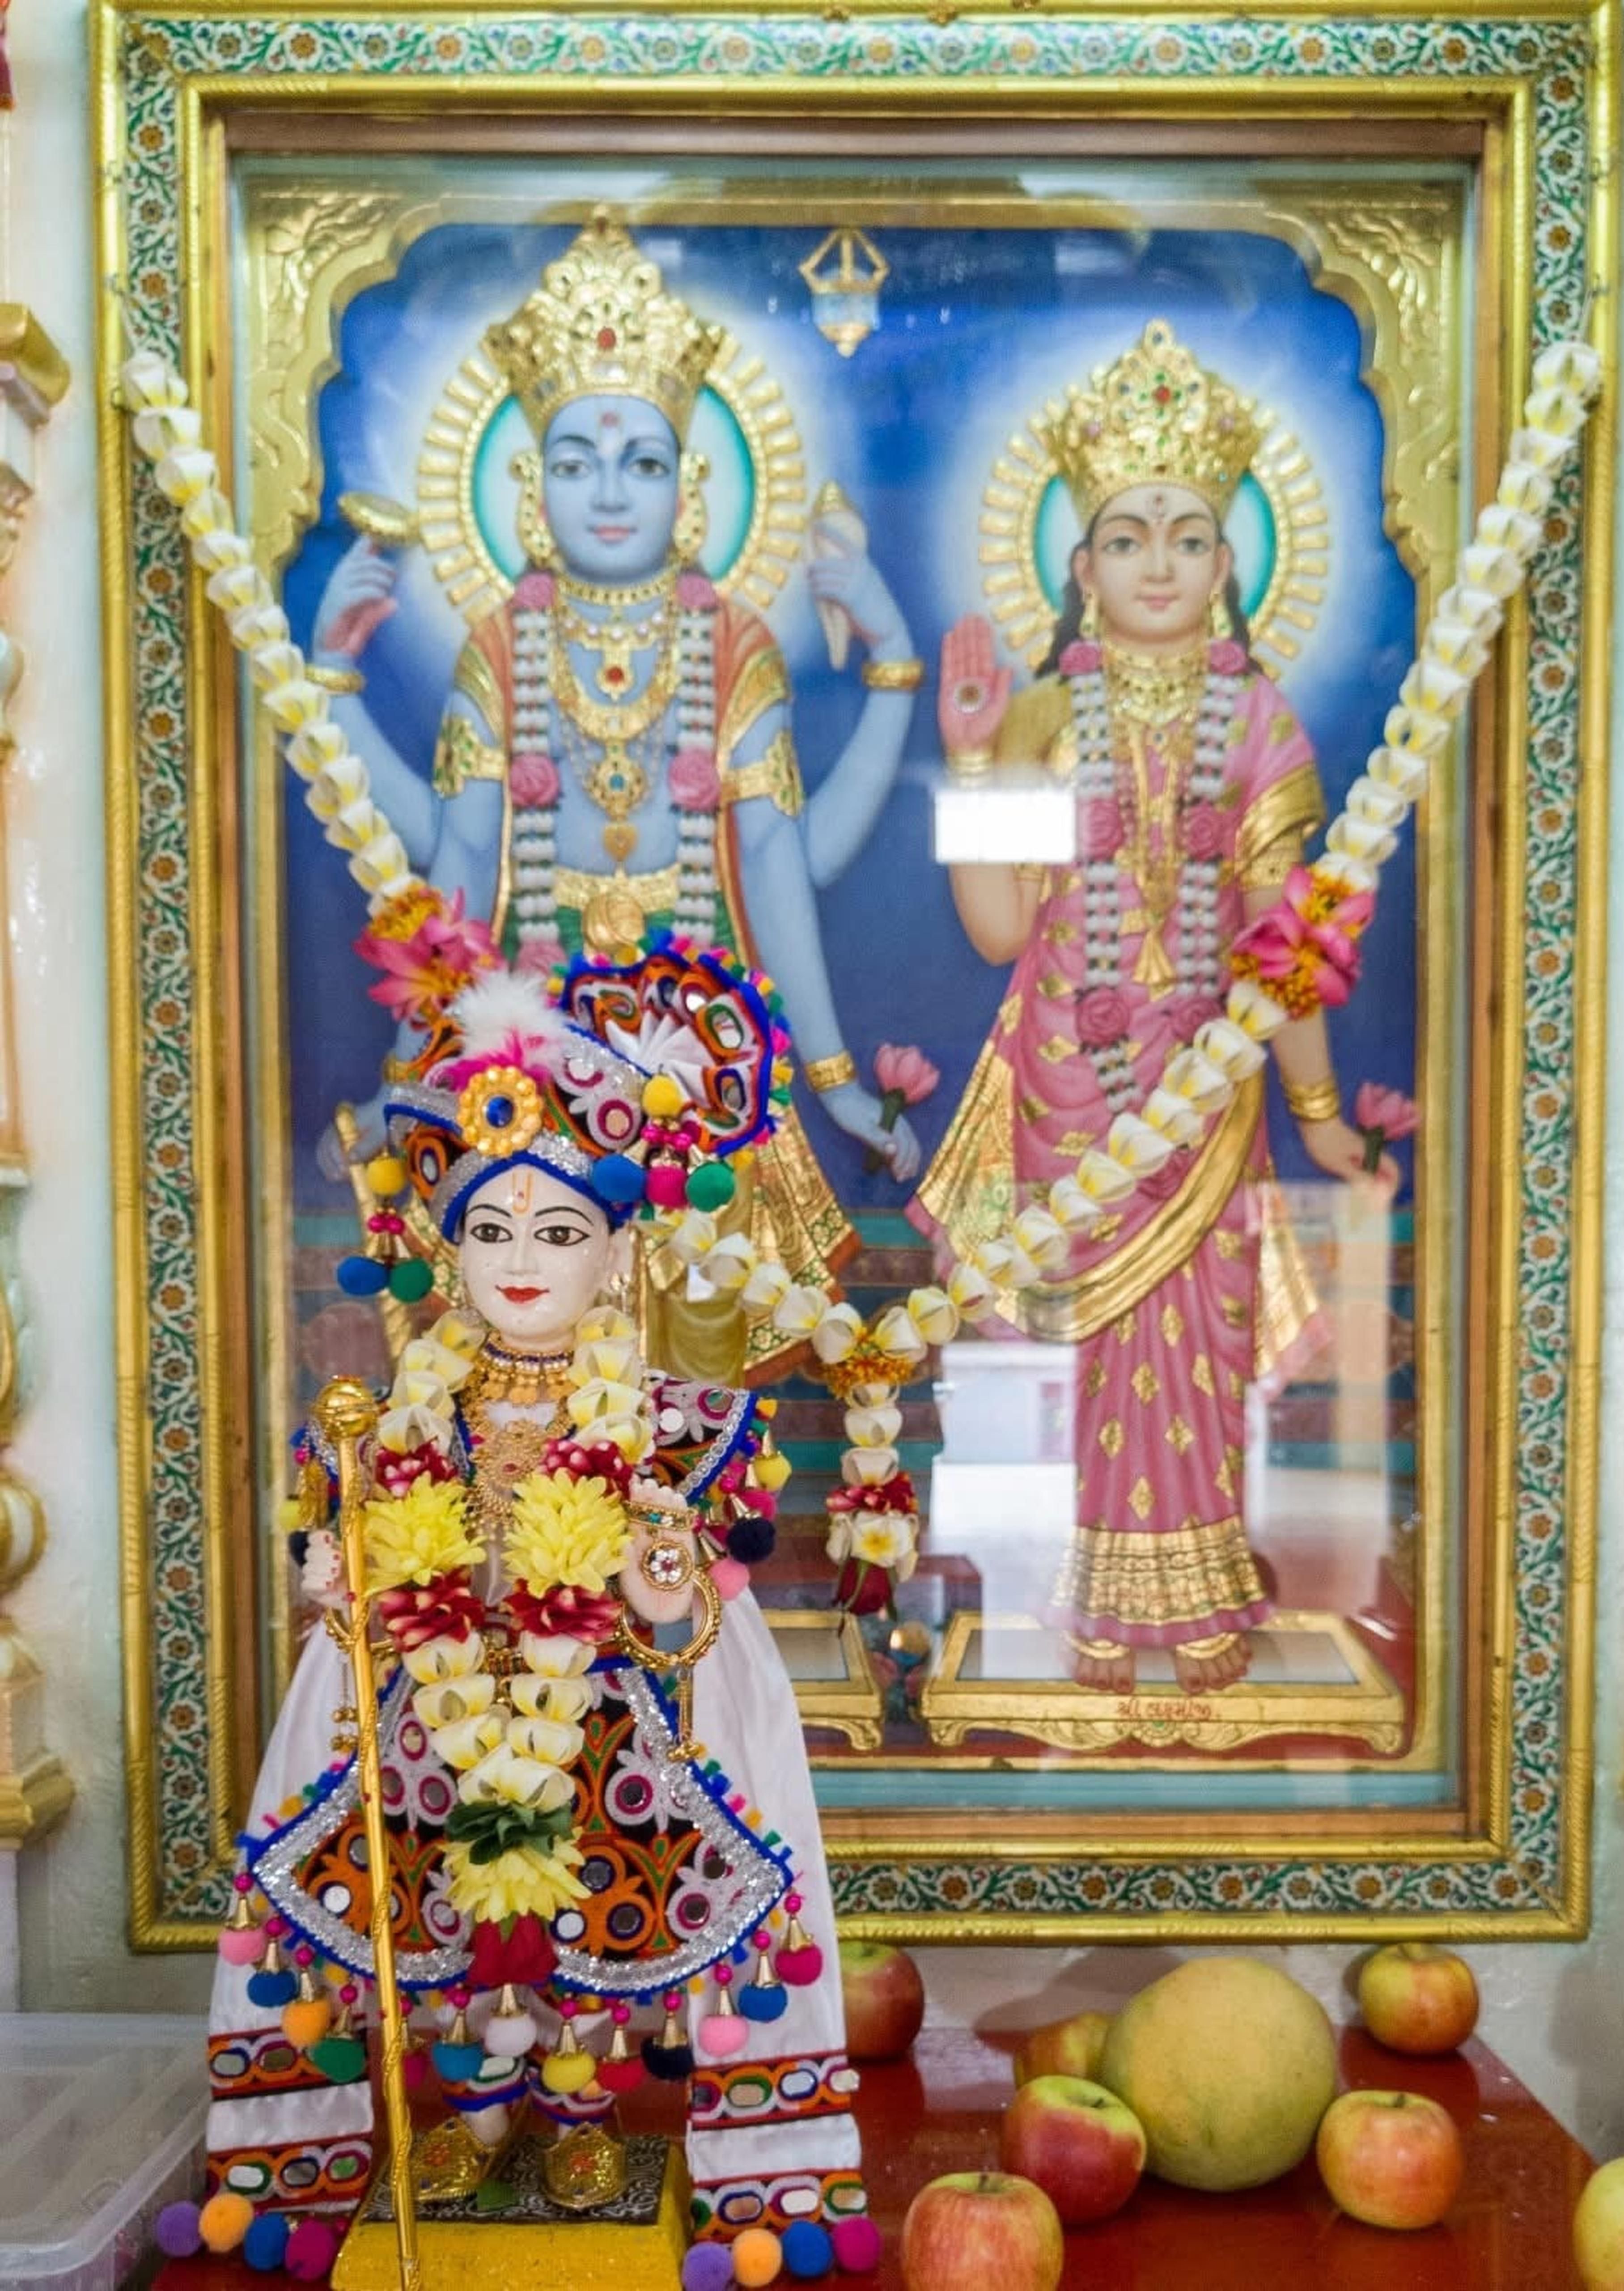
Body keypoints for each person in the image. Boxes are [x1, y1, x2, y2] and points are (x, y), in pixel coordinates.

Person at [203, 936, 872, 2260]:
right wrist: (339, 1577)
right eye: (492, 1229)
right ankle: (480, 2109)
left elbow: (697, 1623)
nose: (522, 1259)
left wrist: (664, 1592)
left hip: (604, 1719)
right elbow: (350, 1559)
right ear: (449, 1250)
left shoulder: (675, 1422)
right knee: (445, 1908)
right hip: (433, 1705)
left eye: (560, 1231)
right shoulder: (398, 1417)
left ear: (616, 1251)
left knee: (585, 1922)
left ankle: (577, 2111)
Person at [309, 215, 925, 1370]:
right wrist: (336, 687)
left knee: (698, 1366)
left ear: (688, 491)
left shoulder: (732, 645)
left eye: (640, 463)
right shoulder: (504, 645)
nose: (608, 491)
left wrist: (833, 1080)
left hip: (703, 1059)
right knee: (535, 1353)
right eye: (576, 463)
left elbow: (784, 866)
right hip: (529, 1050)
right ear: (530, 490)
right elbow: (455, 869)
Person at [914, 319, 1397, 1696]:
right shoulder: (1037, 718)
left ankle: (1194, 1587)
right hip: (1062, 1088)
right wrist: (969, 758)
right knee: (1089, 1347)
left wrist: (1318, 1113)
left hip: (1204, 1089)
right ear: (1081, 568)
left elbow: (1285, 949)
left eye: (1189, 536)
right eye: (1128, 538)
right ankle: (1094, 1588)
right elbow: (1002, 931)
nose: (1160, 564)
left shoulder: (1263, 725)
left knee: (1196, 1346)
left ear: (1230, 563)